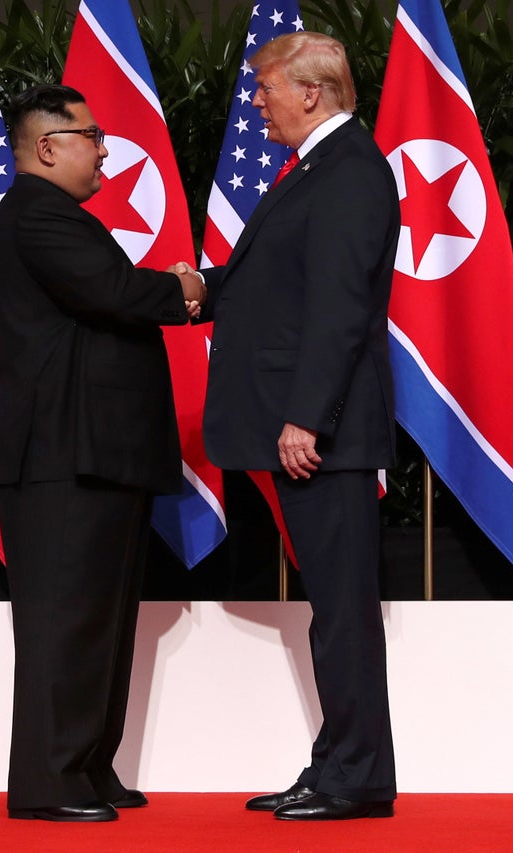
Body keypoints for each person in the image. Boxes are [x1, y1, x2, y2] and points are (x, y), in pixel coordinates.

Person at [194, 32, 400, 820]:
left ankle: (358, 778)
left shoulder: (349, 171)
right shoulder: (319, 168)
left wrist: (305, 417)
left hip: (327, 436)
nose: (258, 102)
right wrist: (192, 290)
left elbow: (340, 309)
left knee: (343, 612)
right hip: (313, 428)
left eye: (266, 89)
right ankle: (337, 764)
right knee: (332, 610)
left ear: (310, 92)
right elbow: (271, 287)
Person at [0, 84, 205, 823]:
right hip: (61, 454)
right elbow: (113, 291)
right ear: (48, 147)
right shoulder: (38, 214)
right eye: (92, 134)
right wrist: (186, 286)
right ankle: (49, 780)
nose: (105, 146)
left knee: (101, 618)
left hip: (96, 452)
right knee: (65, 619)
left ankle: (85, 766)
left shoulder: (57, 217)